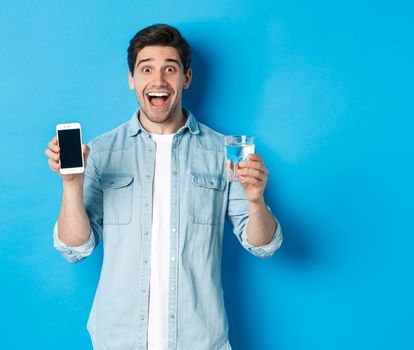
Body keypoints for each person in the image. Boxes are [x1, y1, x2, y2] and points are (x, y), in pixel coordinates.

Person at [44, 24, 283, 349]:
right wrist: (72, 185)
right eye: (146, 69)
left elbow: (263, 245)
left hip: (200, 341)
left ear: (186, 78)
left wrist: (255, 201)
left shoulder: (222, 152)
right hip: (118, 340)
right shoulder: (101, 152)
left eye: (170, 68)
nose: (158, 81)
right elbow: (76, 248)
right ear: (132, 79)